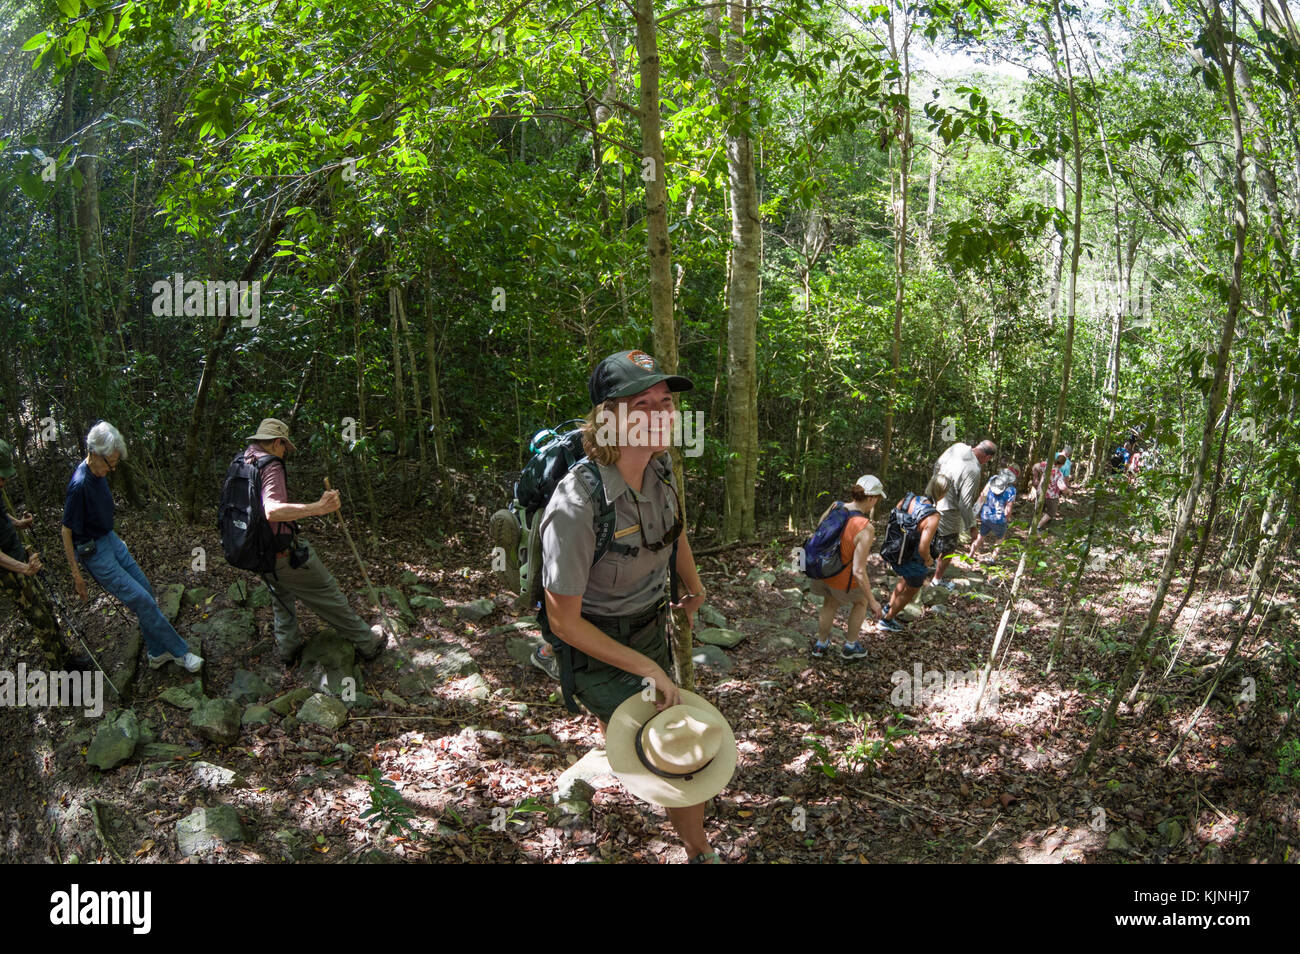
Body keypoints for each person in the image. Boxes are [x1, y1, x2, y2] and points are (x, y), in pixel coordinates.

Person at [538, 349, 718, 863]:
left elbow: (672, 531)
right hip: (592, 643)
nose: (663, 414)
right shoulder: (577, 503)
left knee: (647, 714)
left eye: (666, 402)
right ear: (608, 418)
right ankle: (699, 848)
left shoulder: (659, 470)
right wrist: (645, 668)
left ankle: (617, 747)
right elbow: (562, 620)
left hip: (648, 628)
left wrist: (693, 583)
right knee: (678, 744)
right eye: (644, 404)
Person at [241, 418, 387, 665]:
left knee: (282, 593)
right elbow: (272, 511)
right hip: (280, 553)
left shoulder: (244, 460)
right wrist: (318, 508)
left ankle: (288, 649)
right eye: (285, 448)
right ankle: (367, 642)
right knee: (327, 591)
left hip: (256, 552)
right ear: (277, 442)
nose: (285, 453)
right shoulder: (271, 465)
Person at [61, 423, 202, 673]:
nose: (112, 468)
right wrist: (76, 576)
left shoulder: (99, 472)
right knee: (142, 600)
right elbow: (66, 531)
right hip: (94, 553)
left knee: (145, 591)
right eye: (109, 462)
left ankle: (157, 653)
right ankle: (181, 652)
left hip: (110, 539)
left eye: (115, 463)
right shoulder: (80, 485)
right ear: (93, 452)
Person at [0, 440, 91, 670]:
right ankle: (61, 676)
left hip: (21, 558)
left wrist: (19, 523)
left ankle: (67, 660)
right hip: (11, 572)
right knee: (40, 622)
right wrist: (23, 569)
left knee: (49, 613)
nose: (4, 481)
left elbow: (2, 517)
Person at [808, 475, 884, 660]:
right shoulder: (865, 527)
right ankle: (850, 647)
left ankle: (821, 645)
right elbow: (858, 570)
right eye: (877, 499)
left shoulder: (835, 506)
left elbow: (820, 529)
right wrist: (873, 601)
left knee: (829, 601)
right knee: (861, 602)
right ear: (872, 498)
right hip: (843, 577)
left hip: (823, 570)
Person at [878, 474, 948, 633]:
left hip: (895, 551)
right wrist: (929, 560)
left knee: (904, 580)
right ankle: (887, 619)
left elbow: (894, 522)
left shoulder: (908, 500)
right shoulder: (933, 515)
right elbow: (923, 547)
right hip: (913, 558)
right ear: (943, 493)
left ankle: (889, 606)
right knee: (912, 589)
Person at [929, 439, 997, 588]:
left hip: (932, 499)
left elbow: (937, 465)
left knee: (929, 537)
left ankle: (925, 568)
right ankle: (936, 581)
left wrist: (934, 489)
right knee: (948, 547)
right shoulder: (973, 469)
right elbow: (965, 504)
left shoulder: (958, 447)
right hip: (949, 509)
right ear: (987, 457)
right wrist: (972, 527)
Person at [969, 466, 1018, 561]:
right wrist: (1006, 519)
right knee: (1001, 537)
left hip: (985, 515)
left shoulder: (993, 479)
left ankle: (971, 554)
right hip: (999, 519)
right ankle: (993, 558)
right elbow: (1008, 510)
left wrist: (975, 511)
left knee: (981, 535)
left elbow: (982, 495)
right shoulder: (1012, 490)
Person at [1034, 453, 1070, 531]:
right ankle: (1038, 526)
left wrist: (1036, 478)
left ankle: (1034, 525)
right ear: (1062, 464)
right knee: (1051, 513)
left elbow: (1035, 466)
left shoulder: (1046, 465)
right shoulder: (1059, 474)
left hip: (1040, 492)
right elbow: (1062, 487)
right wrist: (1068, 491)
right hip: (1051, 496)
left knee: (1039, 509)